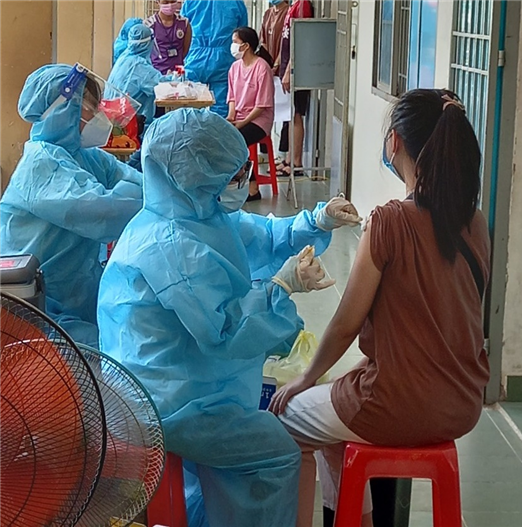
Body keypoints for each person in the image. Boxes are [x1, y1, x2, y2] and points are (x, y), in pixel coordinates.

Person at [97, 108, 361, 527]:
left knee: (216, 469)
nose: (240, 182)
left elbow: (262, 235)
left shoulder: (197, 215)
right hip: (168, 400)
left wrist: (317, 219)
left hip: (189, 383)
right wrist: (281, 287)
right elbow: (226, 331)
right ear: (195, 175)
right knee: (275, 454)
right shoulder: (170, 244)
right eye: (231, 174)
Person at [269, 89, 491, 527]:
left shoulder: (389, 221)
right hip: (463, 403)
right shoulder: (474, 220)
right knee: (334, 427)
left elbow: (345, 322)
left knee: (287, 422)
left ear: (395, 143)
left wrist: (304, 379)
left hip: (395, 405)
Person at [0, 64, 143, 348]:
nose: (99, 115)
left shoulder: (83, 155)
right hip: (39, 307)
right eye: (90, 107)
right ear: (62, 109)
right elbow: (106, 212)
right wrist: (145, 194)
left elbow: (137, 182)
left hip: (75, 296)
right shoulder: (41, 165)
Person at [227, 27, 275, 201]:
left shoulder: (262, 68)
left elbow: (262, 105)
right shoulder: (234, 68)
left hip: (259, 120)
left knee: (234, 139)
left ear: (246, 46)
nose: (232, 45)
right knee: (220, 136)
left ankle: (252, 188)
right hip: (240, 117)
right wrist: (231, 117)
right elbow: (232, 97)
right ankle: (236, 183)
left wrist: (241, 124)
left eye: (235, 42)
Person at [182, 0, 248, 117]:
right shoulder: (237, 3)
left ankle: (191, 133)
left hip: (196, 57)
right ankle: (217, 133)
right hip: (223, 58)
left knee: (190, 104)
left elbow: (182, 28)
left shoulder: (191, 2)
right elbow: (243, 33)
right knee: (221, 109)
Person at [276, 0, 313, 177]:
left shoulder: (303, 5)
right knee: (291, 115)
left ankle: (296, 162)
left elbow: (302, 39)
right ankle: (289, 158)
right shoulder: (294, 5)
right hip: (287, 68)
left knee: (296, 114)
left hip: (297, 71)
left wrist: (290, 70)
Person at [108, 24, 168, 127]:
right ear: (149, 43)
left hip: (112, 117)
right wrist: (176, 78)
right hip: (131, 125)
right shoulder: (139, 66)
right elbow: (163, 88)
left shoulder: (124, 58)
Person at [145, 0, 192, 75]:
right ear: (158, 2)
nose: (170, 5)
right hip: (157, 73)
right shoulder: (149, 25)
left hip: (178, 72)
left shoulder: (184, 24)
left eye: (173, 1)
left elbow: (185, 51)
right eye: (165, 2)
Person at [260, 0, 289, 76]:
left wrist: (276, 64)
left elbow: (288, 42)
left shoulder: (288, 12)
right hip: (268, 66)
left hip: (283, 65)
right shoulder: (267, 13)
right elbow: (263, 41)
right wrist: (267, 63)